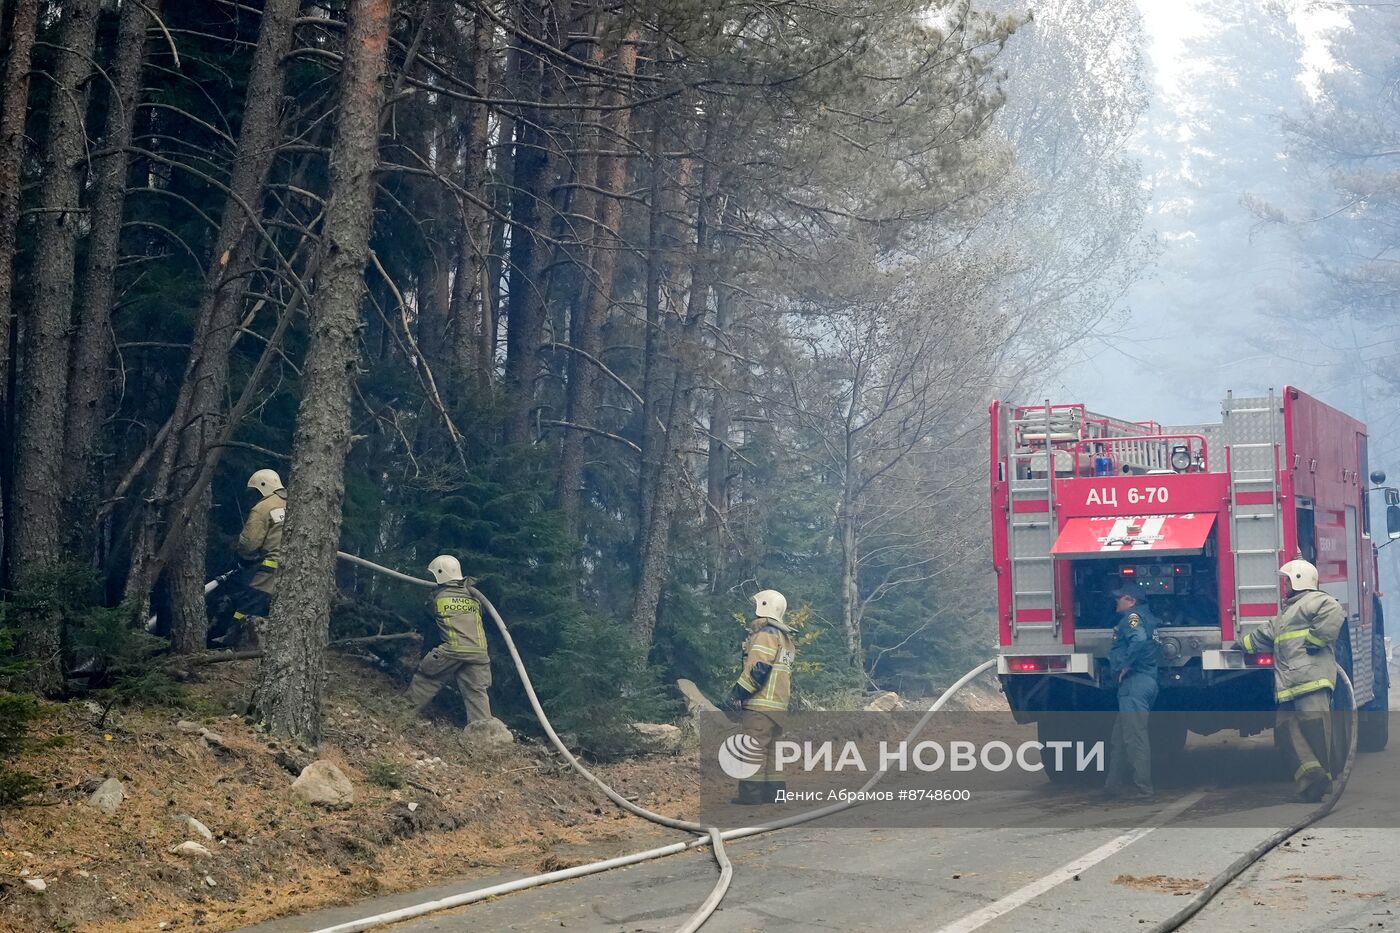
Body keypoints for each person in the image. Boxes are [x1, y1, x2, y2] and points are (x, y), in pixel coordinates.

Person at [1240, 559, 1344, 802]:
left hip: (1311, 682)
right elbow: (1264, 634)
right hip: (1289, 686)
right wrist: (1241, 645)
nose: (1284, 584)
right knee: (1287, 729)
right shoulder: (1287, 612)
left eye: (1287, 579)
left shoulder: (1317, 600)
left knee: (1316, 730)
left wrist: (1317, 640)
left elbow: (1335, 613)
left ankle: (1322, 784)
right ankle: (1313, 776)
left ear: (1299, 579)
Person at [723, 589, 797, 805]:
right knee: (772, 751)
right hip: (778, 706)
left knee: (752, 749)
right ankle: (774, 794)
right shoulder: (786, 639)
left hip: (760, 705)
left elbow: (758, 669)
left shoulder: (766, 634)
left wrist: (736, 693)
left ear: (763, 607)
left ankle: (751, 795)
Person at [408, 555, 492, 725]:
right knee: (477, 693)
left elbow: (428, 615)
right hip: (479, 652)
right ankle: (484, 735)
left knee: (427, 679)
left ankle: (400, 713)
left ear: (440, 574)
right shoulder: (474, 596)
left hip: (453, 649)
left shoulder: (438, 597)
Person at [1103, 580, 1160, 801]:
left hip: (1135, 684)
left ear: (1131, 601)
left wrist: (1126, 664)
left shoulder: (1132, 617)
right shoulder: (1149, 617)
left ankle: (1143, 790)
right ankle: (1113, 785)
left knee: (1135, 738)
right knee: (1119, 738)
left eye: (1120, 597)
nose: (1116, 601)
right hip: (1145, 682)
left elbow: (1138, 640)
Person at [217, 469, 287, 646]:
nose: (252, 498)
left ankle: (231, 642)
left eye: (254, 493)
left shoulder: (262, 507)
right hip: (294, 571)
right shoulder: (293, 505)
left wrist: (241, 556)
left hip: (270, 571)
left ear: (263, 488)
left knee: (246, 606)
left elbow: (249, 545)